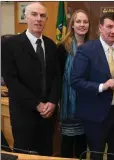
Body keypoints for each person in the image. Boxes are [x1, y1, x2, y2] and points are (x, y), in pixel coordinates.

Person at [70, 12, 114, 160]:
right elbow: (76, 81)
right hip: (95, 113)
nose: (113, 31)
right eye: (109, 26)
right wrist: (102, 86)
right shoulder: (86, 50)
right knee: (96, 154)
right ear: (100, 28)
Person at [1, 2, 61, 156]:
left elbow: (56, 76)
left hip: (48, 114)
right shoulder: (10, 44)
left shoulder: (51, 45)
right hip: (24, 113)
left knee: (46, 154)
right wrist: (36, 104)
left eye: (42, 16)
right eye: (34, 14)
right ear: (26, 17)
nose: (38, 19)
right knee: (24, 154)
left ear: (46, 20)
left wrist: (53, 102)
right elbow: (11, 80)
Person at [56, 9, 90, 158]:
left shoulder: (93, 47)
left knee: (83, 146)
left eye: (85, 21)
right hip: (68, 108)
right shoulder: (62, 48)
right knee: (67, 147)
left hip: (87, 106)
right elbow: (56, 77)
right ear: (72, 25)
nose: (82, 25)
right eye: (78, 21)